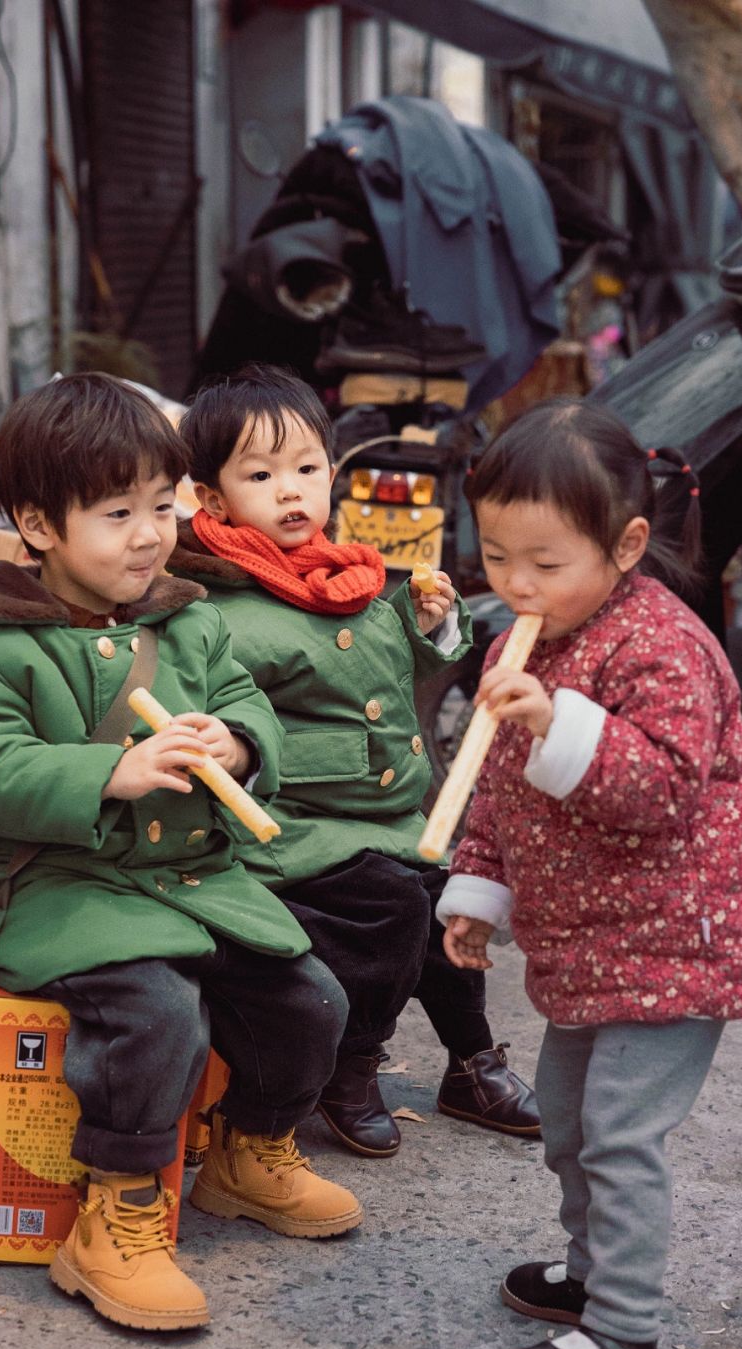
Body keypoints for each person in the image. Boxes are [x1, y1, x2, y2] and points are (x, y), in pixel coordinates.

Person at [0, 374, 363, 1335]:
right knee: (157, 1016)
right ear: (37, 524)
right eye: (118, 513)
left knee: (310, 998)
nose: (152, 533)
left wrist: (233, 744)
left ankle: (250, 1150)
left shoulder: (190, 619)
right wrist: (108, 774)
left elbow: (246, 704)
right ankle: (115, 1211)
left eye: (163, 505)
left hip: (194, 878)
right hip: (60, 885)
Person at [436, 397, 742, 1349]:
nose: (516, 583)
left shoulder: (665, 645)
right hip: (585, 941)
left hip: (675, 943)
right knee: (571, 1123)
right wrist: (477, 893)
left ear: (626, 544)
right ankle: (587, 1274)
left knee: (621, 1133)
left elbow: (662, 787)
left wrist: (560, 725)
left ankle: (625, 1334)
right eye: (496, 556)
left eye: (545, 561)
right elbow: (489, 783)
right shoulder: (515, 646)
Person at [171, 364, 540, 1159]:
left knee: (450, 892)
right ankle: (352, 1063)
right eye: (260, 475)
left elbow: (378, 669)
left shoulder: (344, 574)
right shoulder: (220, 608)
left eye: (307, 468)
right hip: (294, 826)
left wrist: (428, 625)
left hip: (379, 814)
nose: (292, 491)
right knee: (394, 904)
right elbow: (235, 718)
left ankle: (471, 1059)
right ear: (211, 498)